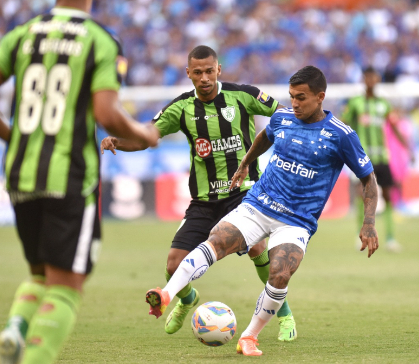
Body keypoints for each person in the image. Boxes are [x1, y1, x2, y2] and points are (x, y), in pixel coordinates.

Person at [0, 0, 160, 363]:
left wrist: (14, 137)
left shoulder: (22, 34)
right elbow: (106, 111)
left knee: (40, 275)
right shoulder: (101, 41)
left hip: (20, 171)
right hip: (69, 174)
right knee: (67, 284)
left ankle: (17, 328)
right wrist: (144, 133)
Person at [145, 65, 380, 356]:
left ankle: (249, 337)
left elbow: (368, 178)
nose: (294, 103)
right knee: (216, 241)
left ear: (320, 97)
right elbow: (265, 136)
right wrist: (245, 163)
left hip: (296, 221)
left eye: (302, 98)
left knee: (280, 274)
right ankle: (167, 294)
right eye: (292, 96)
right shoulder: (283, 118)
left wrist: (369, 222)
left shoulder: (340, 135)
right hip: (258, 205)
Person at [100, 45, 298, 341]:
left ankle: (284, 315)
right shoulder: (181, 107)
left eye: (209, 71)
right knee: (172, 265)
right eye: (197, 73)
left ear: (219, 70)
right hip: (203, 202)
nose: (204, 78)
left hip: (242, 194)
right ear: (189, 74)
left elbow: (284, 115)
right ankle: (187, 299)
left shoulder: (243, 95)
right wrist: (120, 140)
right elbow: (147, 137)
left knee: (257, 248)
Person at [341, 67, 410, 252]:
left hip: (381, 156)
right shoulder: (355, 103)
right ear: (363, 79)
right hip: (362, 157)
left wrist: (406, 146)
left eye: (374, 77)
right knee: (361, 194)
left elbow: (393, 126)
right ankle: (360, 234)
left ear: (377, 79)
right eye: (368, 77)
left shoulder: (383, 104)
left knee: (387, 195)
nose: (371, 80)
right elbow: (343, 122)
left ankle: (390, 238)